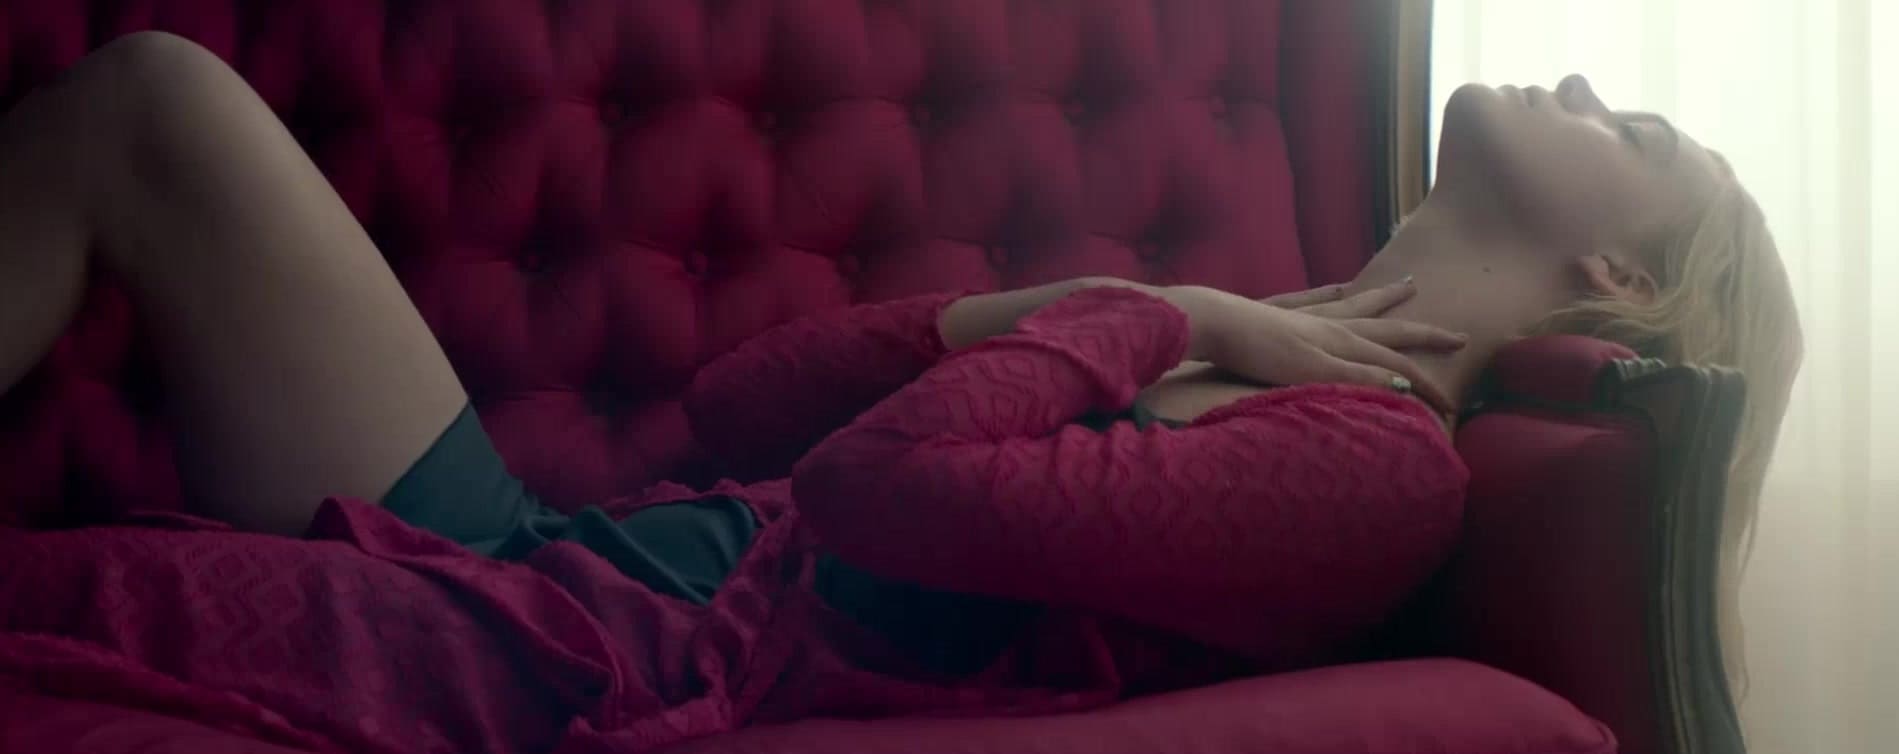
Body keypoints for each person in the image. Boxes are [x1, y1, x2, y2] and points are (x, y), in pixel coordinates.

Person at [0, 32, 1798, 752]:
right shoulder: (1265, 338)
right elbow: (744, 406)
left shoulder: (1379, 462)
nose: (1584, 81)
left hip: (600, 651)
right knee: (158, 107)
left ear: (1615, 278)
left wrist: (1158, 320)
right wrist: (1166, 308)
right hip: (567, 556)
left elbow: (872, 491)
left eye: (1636, 130)